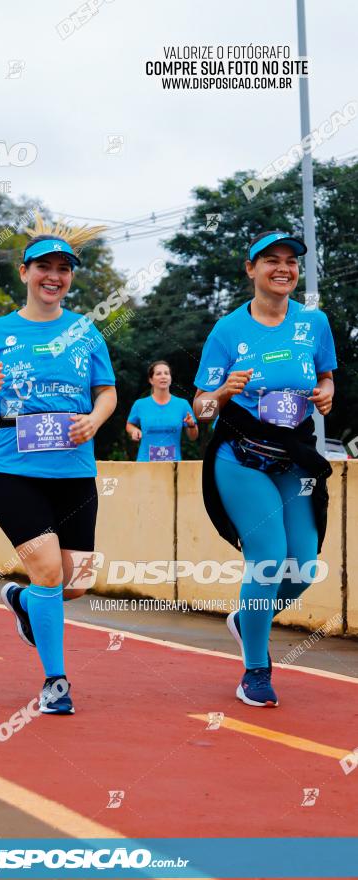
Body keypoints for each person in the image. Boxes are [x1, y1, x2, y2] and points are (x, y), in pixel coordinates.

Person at [0, 215, 117, 715]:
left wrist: (94, 420)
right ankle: (56, 682)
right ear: (25, 272)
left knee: (73, 584)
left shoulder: (86, 331)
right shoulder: (0, 332)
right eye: (44, 267)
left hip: (75, 470)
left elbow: (108, 392)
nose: (54, 276)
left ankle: (25, 603)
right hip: (13, 468)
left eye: (64, 269)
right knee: (48, 570)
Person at [193, 230, 336, 707]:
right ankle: (255, 669)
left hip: (293, 460)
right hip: (242, 458)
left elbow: (325, 376)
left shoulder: (313, 324)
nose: (283, 268)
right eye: (270, 260)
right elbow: (201, 410)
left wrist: (327, 391)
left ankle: (247, 619)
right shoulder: (227, 331)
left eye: (291, 260)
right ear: (250, 269)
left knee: (305, 566)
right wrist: (220, 395)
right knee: (269, 558)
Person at [126, 360, 198, 461]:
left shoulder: (183, 405)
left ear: (170, 379)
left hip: (173, 466)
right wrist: (134, 430)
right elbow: (129, 425)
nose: (163, 376)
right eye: (158, 374)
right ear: (151, 380)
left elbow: (193, 437)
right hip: (145, 466)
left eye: (166, 373)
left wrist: (191, 425)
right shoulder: (140, 404)